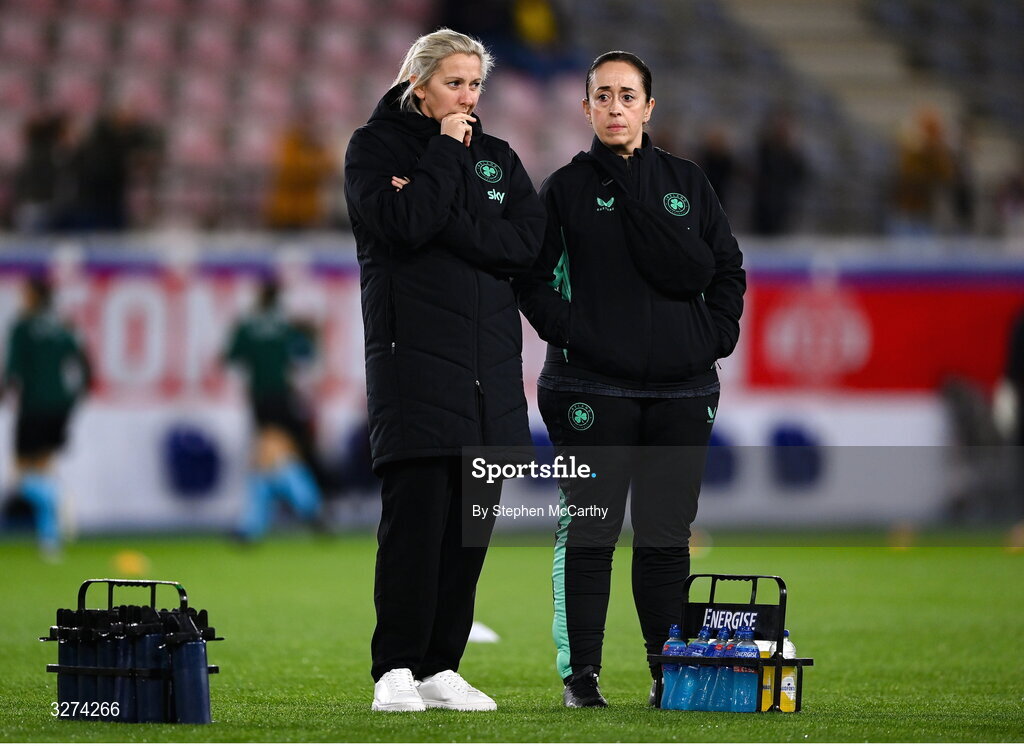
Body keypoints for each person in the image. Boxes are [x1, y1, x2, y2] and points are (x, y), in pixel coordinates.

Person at [514, 51, 745, 707]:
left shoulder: (688, 183)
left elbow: (728, 270)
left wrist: (712, 336)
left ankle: (667, 676)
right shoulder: (563, 189)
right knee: (589, 533)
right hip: (591, 391)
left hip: (683, 390)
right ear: (586, 109)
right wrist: (576, 335)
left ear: (649, 107)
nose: (615, 107)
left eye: (627, 95)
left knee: (667, 540)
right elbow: (531, 277)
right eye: (603, 96)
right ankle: (580, 679)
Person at [343, 28, 544, 712]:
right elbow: (404, 223)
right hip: (415, 367)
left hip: (489, 371)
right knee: (416, 526)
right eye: (454, 82)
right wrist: (440, 158)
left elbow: (525, 246)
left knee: (469, 531)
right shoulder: (374, 148)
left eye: (475, 84)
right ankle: (394, 668)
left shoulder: (498, 158)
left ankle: (440, 667)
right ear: (418, 83)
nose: (468, 96)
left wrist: (451, 223)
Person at [223, 278, 324, 542]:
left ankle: (255, 525)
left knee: (268, 457)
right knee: (275, 457)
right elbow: (307, 354)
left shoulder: (247, 326)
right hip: (283, 397)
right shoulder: (286, 326)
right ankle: (309, 509)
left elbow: (230, 357)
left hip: (260, 399)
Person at [2, 275, 92, 559]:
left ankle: (59, 500)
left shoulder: (23, 327)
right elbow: (85, 365)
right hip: (60, 407)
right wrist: (74, 397)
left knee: (22, 476)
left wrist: (4, 393)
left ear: (33, 297)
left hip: (33, 406)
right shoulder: (63, 326)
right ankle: (50, 541)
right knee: (43, 469)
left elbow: (13, 369)